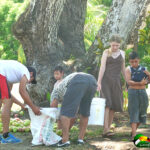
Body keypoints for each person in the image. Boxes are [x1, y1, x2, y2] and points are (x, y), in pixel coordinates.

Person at [50, 72, 97, 147]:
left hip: (78, 80)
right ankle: (80, 139)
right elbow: (73, 115)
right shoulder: (64, 89)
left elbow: (53, 107)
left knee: (64, 113)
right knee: (84, 112)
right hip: (92, 80)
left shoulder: (56, 91)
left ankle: (64, 140)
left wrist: (54, 120)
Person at [0, 60, 41, 144]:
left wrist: (22, 105)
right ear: (31, 74)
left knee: (4, 101)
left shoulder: (11, 75)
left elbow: (9, 96)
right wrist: (33, 107)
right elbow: (22, 91)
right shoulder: (25, 72)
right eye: (31, 80)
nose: (28, 82)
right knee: (7, 103)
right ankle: (6, 135)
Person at [97, 35, 126, 136]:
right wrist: (99, 82)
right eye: (113, 45)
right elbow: (102, 67)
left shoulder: (122, 53)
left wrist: (127, 82)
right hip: (106, 81)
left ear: (120, 45)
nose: (115, 48)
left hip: (117, 81)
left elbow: (123, 69)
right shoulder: (106, 52)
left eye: (117, 46)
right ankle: (105, 129)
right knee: (107, 104)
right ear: (110, 43)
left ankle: (108, 128)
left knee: (114, 105)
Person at [125, 51, 150, 140]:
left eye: (136, 61)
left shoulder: (144, 69)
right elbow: (129, 82)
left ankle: (133, 130)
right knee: (134, 112)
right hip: (133, 93)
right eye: (132, 62)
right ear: (129, 61)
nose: (134, 63)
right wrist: (140, 83)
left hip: (143, 92)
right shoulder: (128, 69)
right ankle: (134, 135)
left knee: (142, 113)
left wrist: (149, 74)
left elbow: (148, 81)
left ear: (138, 60)